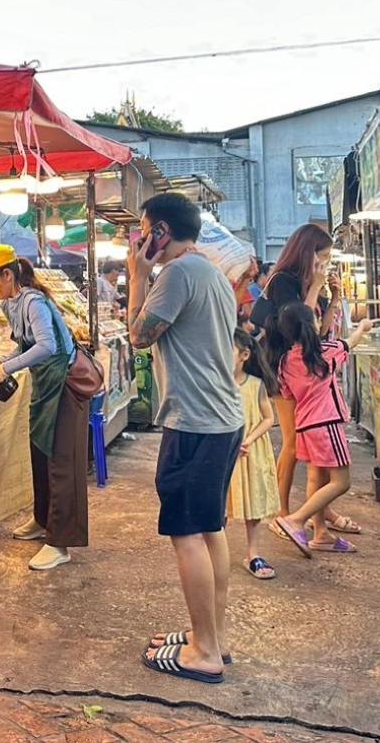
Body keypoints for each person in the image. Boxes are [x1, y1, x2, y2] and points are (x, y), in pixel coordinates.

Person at [129, 192, 242, 686]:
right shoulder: (211, 271)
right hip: (221, 418)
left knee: (186, 532)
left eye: (142, 229)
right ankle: (210, 636)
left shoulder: (175, 274)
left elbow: (138, 334)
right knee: (210, 528)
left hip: (195, 422)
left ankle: (205, 652)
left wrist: (137, 277)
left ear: (161, 233)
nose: (137, 239)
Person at [0, 246, 89, 572]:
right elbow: (25, 347)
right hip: (43, 386)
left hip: (65, 387)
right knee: (40, 453)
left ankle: (60, 543)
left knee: (61, 463)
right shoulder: (12, 304)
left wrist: (6, 369)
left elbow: (48, 346)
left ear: (8, 275)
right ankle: (42, 520)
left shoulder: (34, 302)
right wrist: (0, 363)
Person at [252, 224, 357, 531]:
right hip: (283, 372)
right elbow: (299, 326)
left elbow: (320, 332)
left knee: (315, 446)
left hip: (307, 375)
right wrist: (315, 288)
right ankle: (280, 513)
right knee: (293, 445)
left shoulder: (311, 282)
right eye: (321, 257)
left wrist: (334, 297)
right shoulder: (283, 281)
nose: (323, 264)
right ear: (306, 253)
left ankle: (321, 513)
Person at [272, 303, 374, 557]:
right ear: (313, 323)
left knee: (316, 478)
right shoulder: (324, 351)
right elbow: (351, 342)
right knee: (341, 482)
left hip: (305, 426)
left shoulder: (284, 362)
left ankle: (321, 534)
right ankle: (296, 520)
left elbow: (288, 394)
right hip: (327, 424)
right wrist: (363, 326)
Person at [226, 328, 279, 581]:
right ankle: (215, 553)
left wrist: (247, 440)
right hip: (224, 450)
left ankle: (253, 553)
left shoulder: (255, 385)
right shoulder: (217, 383)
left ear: (244, 355)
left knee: (253, 504)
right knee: (220, 504)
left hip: (249, 451)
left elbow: (269, 418)